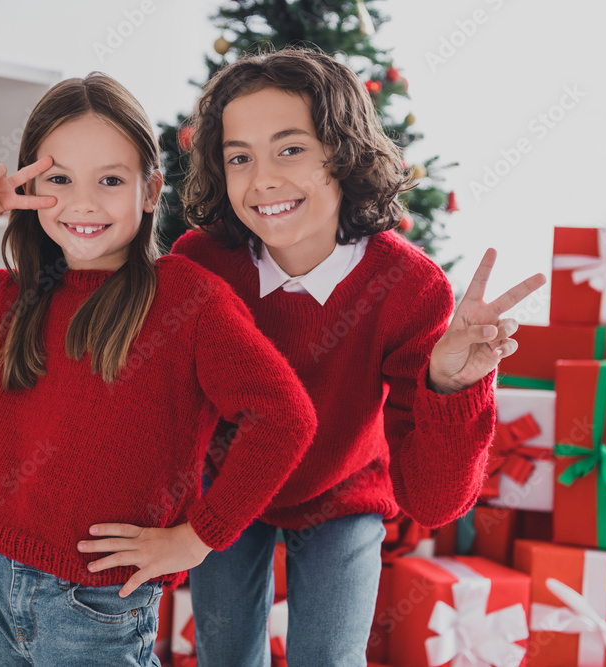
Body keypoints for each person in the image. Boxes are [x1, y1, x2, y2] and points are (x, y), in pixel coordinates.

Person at [0, 73, 317, 667]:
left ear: (150, 191)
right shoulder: (9, 298)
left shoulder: (187, 301)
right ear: (28, 184)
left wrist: (199, 537)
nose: (84, 203)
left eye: (111, 181)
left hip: (99, 604)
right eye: (59, 180)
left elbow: (285, 416)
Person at [93, 47, 546, 666]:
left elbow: (435, 503)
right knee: (224, 655)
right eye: (239, 158)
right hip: (226, 491)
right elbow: (159, 401)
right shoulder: (202, 263)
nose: (263, 180)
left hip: (344, 492)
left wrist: (449, 385)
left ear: (343, 155)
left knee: (328, 657)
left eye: (290, 149)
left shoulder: (409, 286)